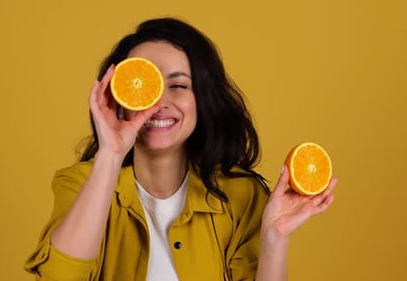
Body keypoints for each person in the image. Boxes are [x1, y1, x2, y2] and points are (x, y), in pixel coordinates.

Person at [24, 17, 337, 281]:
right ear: (116, 98)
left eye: (178, 85)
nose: (158, 103)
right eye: (142, 85)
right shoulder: (78, 184)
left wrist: (275, 239)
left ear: (202, 98)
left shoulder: (241, 196)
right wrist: (111, 152)